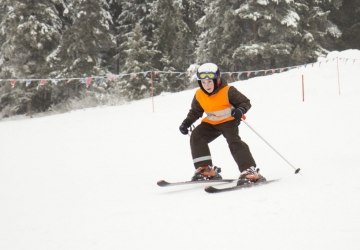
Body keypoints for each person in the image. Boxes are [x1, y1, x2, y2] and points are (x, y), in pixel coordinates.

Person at [179, 62, 265, 183]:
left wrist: (240, 110)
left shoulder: (228, 90)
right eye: (203, 82)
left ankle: (249, 170)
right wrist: (186, 123)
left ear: (217, 80)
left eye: (209, 81)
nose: (206, 85)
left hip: (228, 122)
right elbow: (195, 111)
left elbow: (245, 102)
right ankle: (205, 169)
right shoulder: (199, 94)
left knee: (233, 141)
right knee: (196, 136)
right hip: (210, 123)